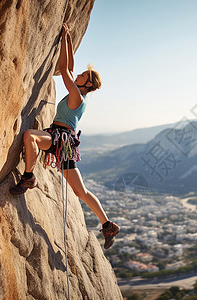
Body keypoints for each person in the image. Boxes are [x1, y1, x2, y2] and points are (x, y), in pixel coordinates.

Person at [10, 23, 119, 250]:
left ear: (87, 83)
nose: (77, 74)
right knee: (81, 191)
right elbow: (69, 68)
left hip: (60, 138)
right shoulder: (79, 95)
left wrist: (65, 42)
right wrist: (67, 39)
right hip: (64, 141)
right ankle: (107, 224)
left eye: (82, 75)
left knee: (30, 135)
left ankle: (28, 176)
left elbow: (64, 69)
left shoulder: (77, 96)